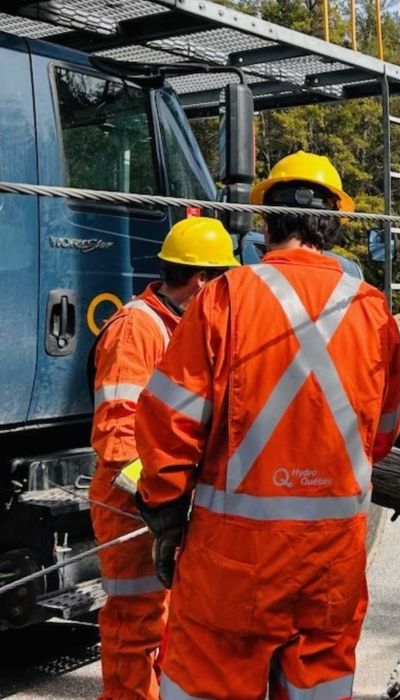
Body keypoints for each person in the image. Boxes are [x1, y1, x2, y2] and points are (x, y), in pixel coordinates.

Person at [133, 151, 400, 698]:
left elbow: (169, 424)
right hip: (331, 563)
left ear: (267, 221)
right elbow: (383, 433)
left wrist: (165, 519)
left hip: (232, 560)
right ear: (335, 222)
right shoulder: (373, 310)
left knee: (208, 682)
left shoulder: (224, 298)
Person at [88, 216, 238, 700]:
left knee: (167, 622)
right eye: (222, 282)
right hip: (130, 504)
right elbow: (117, 438)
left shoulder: (182, 325)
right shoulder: (138, 328)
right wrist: (161, 496)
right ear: (201, 280)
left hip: (159, 501)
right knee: (135, 623)